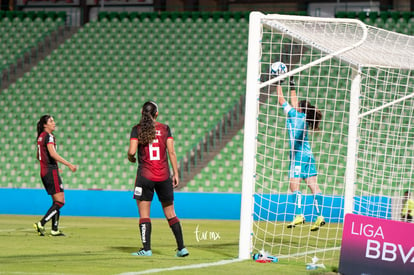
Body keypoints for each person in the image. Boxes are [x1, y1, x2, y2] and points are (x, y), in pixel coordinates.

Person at [127, 101, 189, 257]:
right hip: (163, 177)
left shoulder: (137, 129)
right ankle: (181, 248)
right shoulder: (165, 128)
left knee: (144, 214)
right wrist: (176, 173)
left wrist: (130, 157)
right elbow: (171, 152)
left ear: (142, 112)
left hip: (145, 176)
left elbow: (132, 151)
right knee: (171, 213)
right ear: (157, 114)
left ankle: (146, 249)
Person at [277, 78, 325, 231]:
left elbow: (281, 100)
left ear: (299, 108)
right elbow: (294, 101)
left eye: (297, 105)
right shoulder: (304, 117)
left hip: (298, 155)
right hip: (309, 156)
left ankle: (299, 215)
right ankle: (320, 216)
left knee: (293, 185)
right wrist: (292, 85)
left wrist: (277, 83)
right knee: (314, 186)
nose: (294, 104)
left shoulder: (293, 115)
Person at [34, 115, 78, 236]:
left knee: (56, 201)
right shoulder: (48, 136)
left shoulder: (41, 137)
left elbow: (38, 156)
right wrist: (68, 164)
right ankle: (41, 223)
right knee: (60, 202)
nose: (54, 123)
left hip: (44, 171)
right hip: (50, 171)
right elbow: (53, 154)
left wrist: (54, 166)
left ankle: (54, 229)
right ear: (45, 125)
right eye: (51, 121)